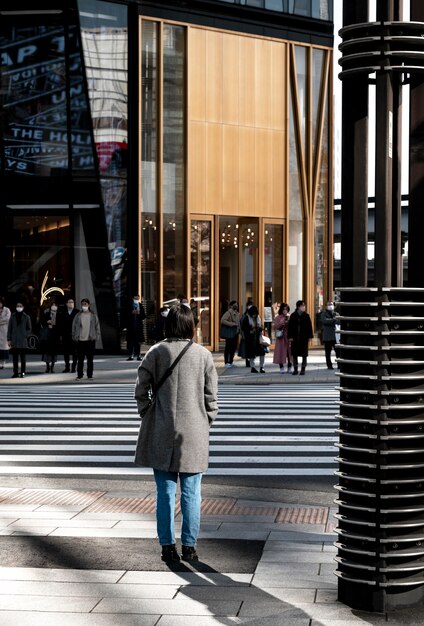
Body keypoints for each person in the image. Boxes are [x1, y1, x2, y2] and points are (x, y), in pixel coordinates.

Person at [134, 303, 218, 563]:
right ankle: (190, 547)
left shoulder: (157, 352)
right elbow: (211, 397)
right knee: (192, 492)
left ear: (169, 324)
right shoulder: (202, 355)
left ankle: (167, 546)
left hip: (162, 428)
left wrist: (147, 408)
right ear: (191, 326)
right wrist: (206, 419)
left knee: (165, 492)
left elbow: (141, 384)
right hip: (193, 432)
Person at [72, 298, 101, 381]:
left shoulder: (93, 315)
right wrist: (74, 336)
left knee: (90, 359)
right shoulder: (78, 315)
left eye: (85, 304)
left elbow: (97, 327)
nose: (84, 306)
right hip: (80, 340)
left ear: (89, 305)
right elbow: (74, 326)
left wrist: (96, 336)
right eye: (82, 304)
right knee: (80, 359)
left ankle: (90, 375)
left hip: (90, 340)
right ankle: (80, 375)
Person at [288, 300, 313, 375]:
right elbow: (290, 327)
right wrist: (290, 336)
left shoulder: (306, 315)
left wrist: (310, 336)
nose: (304, 307)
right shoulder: (293, 315)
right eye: (302, 306)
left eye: (304, 306)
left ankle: (303, 368)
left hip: (303, 337)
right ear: (298, 307)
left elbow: (309, 327)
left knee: (304, 354)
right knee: (295, 354)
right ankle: (295, 368)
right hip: (295, 337)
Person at [7, 302, 32, 378]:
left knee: (23, 358)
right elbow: (9, 329)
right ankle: (15, 372)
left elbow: (29, 328)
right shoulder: (12, 316)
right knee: (15, 358)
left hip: (23, 340)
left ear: (23, 307)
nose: (19, 307)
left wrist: (25, 335)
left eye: (20, 306)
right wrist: (9, 339)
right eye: (17, 306)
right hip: (14, 340)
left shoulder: (26, 317)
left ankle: (23, 372)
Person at [241, 305, 266, 373]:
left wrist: (259, 328)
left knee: (262, 353)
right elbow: (243, 328)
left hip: (258, 338)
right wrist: (250, 328)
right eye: (253, 314)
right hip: (250, 339)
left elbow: (262, 326)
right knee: (251, 354)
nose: (254, 315)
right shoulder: (246, 318)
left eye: (255, 314)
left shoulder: (258, 318)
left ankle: (262, 367)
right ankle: (253, 367)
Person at [39, 303, 61, 373]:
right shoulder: (47, 314)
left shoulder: (59, 315)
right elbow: (41, 322)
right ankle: (47, 367)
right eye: (52, 305)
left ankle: (52, 367)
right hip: (47, 336)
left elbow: (61, 324)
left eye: (55, 305)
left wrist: (54, 326)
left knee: (54, 352)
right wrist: (46, 322)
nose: (54, 307)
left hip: (55, 336)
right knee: (47, 352)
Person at [59, 298, 79, 373]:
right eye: (69, 302)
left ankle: (74, 367)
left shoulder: (77, 312)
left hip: (74, 335)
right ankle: (67, 367)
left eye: (72, 302)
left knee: (75, 352)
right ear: (66, 304)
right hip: (65, 335)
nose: (71, 303)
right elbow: (61, 324)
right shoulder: (63, 312)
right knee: (66, 352)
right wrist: (61, 335)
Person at [220, 300, 240, 368]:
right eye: (235, 304)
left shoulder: (237, 313)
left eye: (236, 304)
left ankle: (231, 362)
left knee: (233, 348)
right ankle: (226, 362)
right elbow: (222, 320)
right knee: (228, 348)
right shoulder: (228, 313)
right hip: (230, 333)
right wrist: (232, 324)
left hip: (235, 333)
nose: (236, 306)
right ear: (231, 306)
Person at [273, 303, 292, 373]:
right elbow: (276, 326)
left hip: (288, 336)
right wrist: (282, 323)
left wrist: (288, 322)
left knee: (289, 352)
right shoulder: (278, 317)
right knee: (280, 352)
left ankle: (289, 366)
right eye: (284, 309)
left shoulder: (290, 316)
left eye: (286, 309)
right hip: (281, 337)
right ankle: (281, 367)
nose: (285, 311)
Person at [127, 294, 146, 361]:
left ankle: (138, 355)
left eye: (138, 299)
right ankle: (130, 355)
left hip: (138, 327)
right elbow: (125, 315)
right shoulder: (129, 305)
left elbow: (144, 316)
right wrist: (131, 312)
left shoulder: (140, 306)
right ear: (133, 298)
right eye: (135, 298)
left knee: (138, 342)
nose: (136, 300)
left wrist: (139, 313)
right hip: (131, 327)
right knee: (131, 342)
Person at [321, 300, 337, 369]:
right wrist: (333, 320)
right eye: (329, 304)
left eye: (331, 304)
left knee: (338, 352)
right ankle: (329, 365)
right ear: (326, 306)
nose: (330, 306)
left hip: (335, 336)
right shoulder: (323, 314)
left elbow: (339, 321)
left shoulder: (336, 314)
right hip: (327, 336)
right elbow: (325, 321)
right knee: (328, 353)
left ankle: (339, 364)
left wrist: (331, 320)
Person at [0, 299, 11, 369]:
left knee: (4, 347)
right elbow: (4, 320)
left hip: (4, 331)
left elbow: (7, 319)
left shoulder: (7, 310)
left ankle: (3, 363)